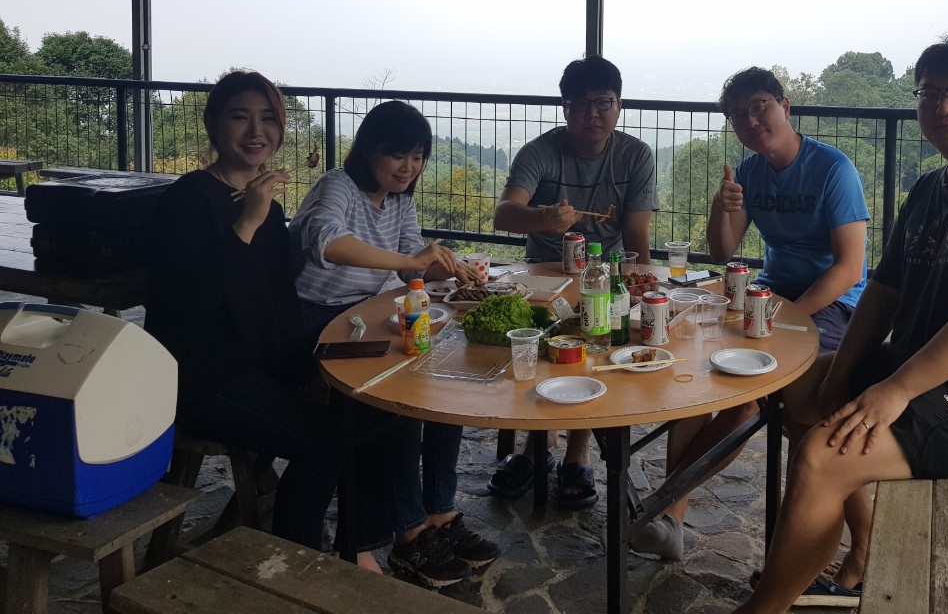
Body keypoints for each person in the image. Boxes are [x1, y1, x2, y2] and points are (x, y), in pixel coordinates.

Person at [732, 34, 948, 612]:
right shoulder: (930, 188)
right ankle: (844, 553)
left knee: (822, 455)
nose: (943, 106)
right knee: (794, 388)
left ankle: (765, 606)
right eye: (929, 94)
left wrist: (894, 390)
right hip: (922, 368)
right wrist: (838, 375)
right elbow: (882, 292)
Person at [630, 67, 871, 561]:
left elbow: (849, 268)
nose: (751, 120)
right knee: (696, 375)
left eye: (760, 106)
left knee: (795, 411)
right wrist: (721, 206)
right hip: (769, 295)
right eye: (738, 115)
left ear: (785, 106)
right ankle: (671, 516)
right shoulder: (750, 172)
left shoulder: (833, 168)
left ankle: (860, 545)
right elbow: (723, 251)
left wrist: (786, 318)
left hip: (831, 303)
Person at [144, 70, 384, 562]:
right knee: (323, 441)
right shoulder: (189, 198)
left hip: (251, 371)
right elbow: (187, 303)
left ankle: (357, 546)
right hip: (198, 379)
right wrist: (247, 222)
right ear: (213, 125)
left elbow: (277, 303)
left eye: (268, 119)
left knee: (358, 411)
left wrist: (304, 373)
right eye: (240, 117)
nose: (256, 131)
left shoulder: (268, 209)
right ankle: (295, 563)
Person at [291, 99, 499, 587]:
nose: (409, 167)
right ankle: (409, 533)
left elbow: (413, 263)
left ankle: (439, 512)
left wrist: (448, 266)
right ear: (369, 150)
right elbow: (326, 242)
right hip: (314, 320)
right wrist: (411, 262)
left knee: (445, 381)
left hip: (364, 314)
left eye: (418, 156)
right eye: (398, 155)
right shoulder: (337, 187)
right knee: (401, 394)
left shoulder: (399, 200)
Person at [489, 55, 657, 508]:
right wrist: (542, 218)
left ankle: (577, 450)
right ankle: (537, 443)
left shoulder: (635, 155)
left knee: (596, 336)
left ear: (619, 106)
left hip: (608, 273)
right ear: (565, 108)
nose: (592, 114)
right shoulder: (541, 152)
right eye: (580, 104)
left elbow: (637, 232)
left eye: (604, 102)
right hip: (543, 272)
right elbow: (504, 214)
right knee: (541, 341)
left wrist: (641, 286)